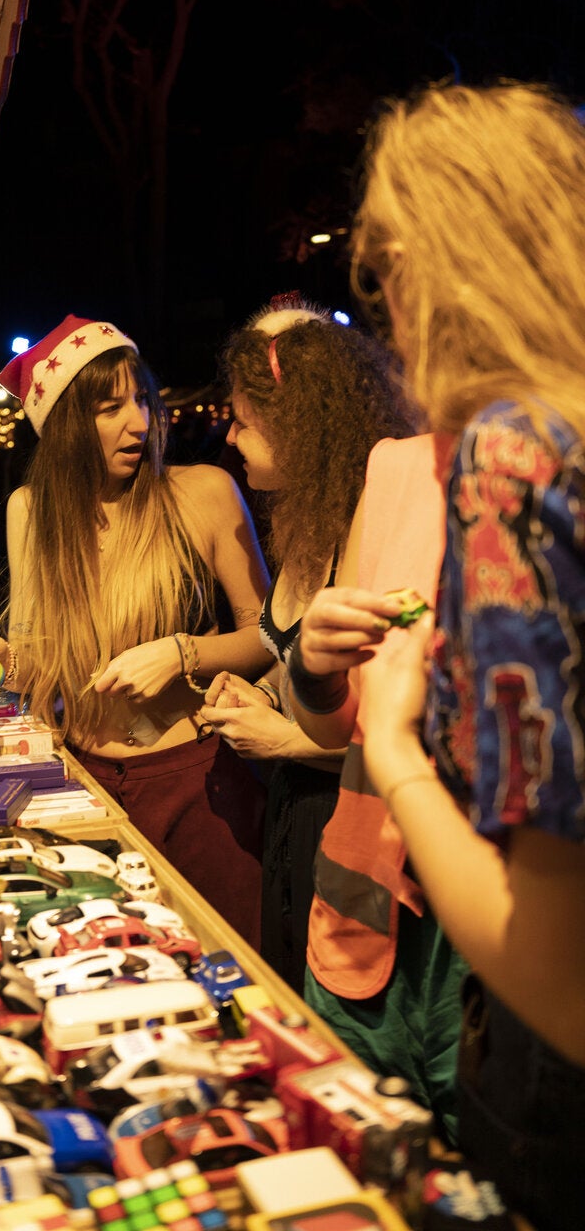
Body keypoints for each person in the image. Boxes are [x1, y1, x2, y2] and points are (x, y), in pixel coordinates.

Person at [292, 81, 585, 1231]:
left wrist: (403, 747)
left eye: (381, 274)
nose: (388, 313)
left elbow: (559, 976)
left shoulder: (516, 461)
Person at [0, 314, 271, 949]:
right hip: (84, 785)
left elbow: (270, 634)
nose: (139, 422)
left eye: (142, 398)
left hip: (199, 785)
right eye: (110, 406)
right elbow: (39, 657)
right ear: (63, 426)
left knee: (234, 978)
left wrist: (181, 653)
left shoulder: (204, 492)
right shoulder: (31, 512)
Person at [199, 303, 415, 993]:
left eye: (240, 419)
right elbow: (284, 650)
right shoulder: (307, 516)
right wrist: (258, 693)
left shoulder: (375, 519)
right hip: (295, 816)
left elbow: (401, 724)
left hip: (356, 823)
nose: (229, 437)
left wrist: (287, 741)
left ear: (296, 423)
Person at [290, 432, 467, 1144]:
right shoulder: (395, 466)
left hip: (503, 920)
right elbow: (333, 725)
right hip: (363, 904)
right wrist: (315, 665)